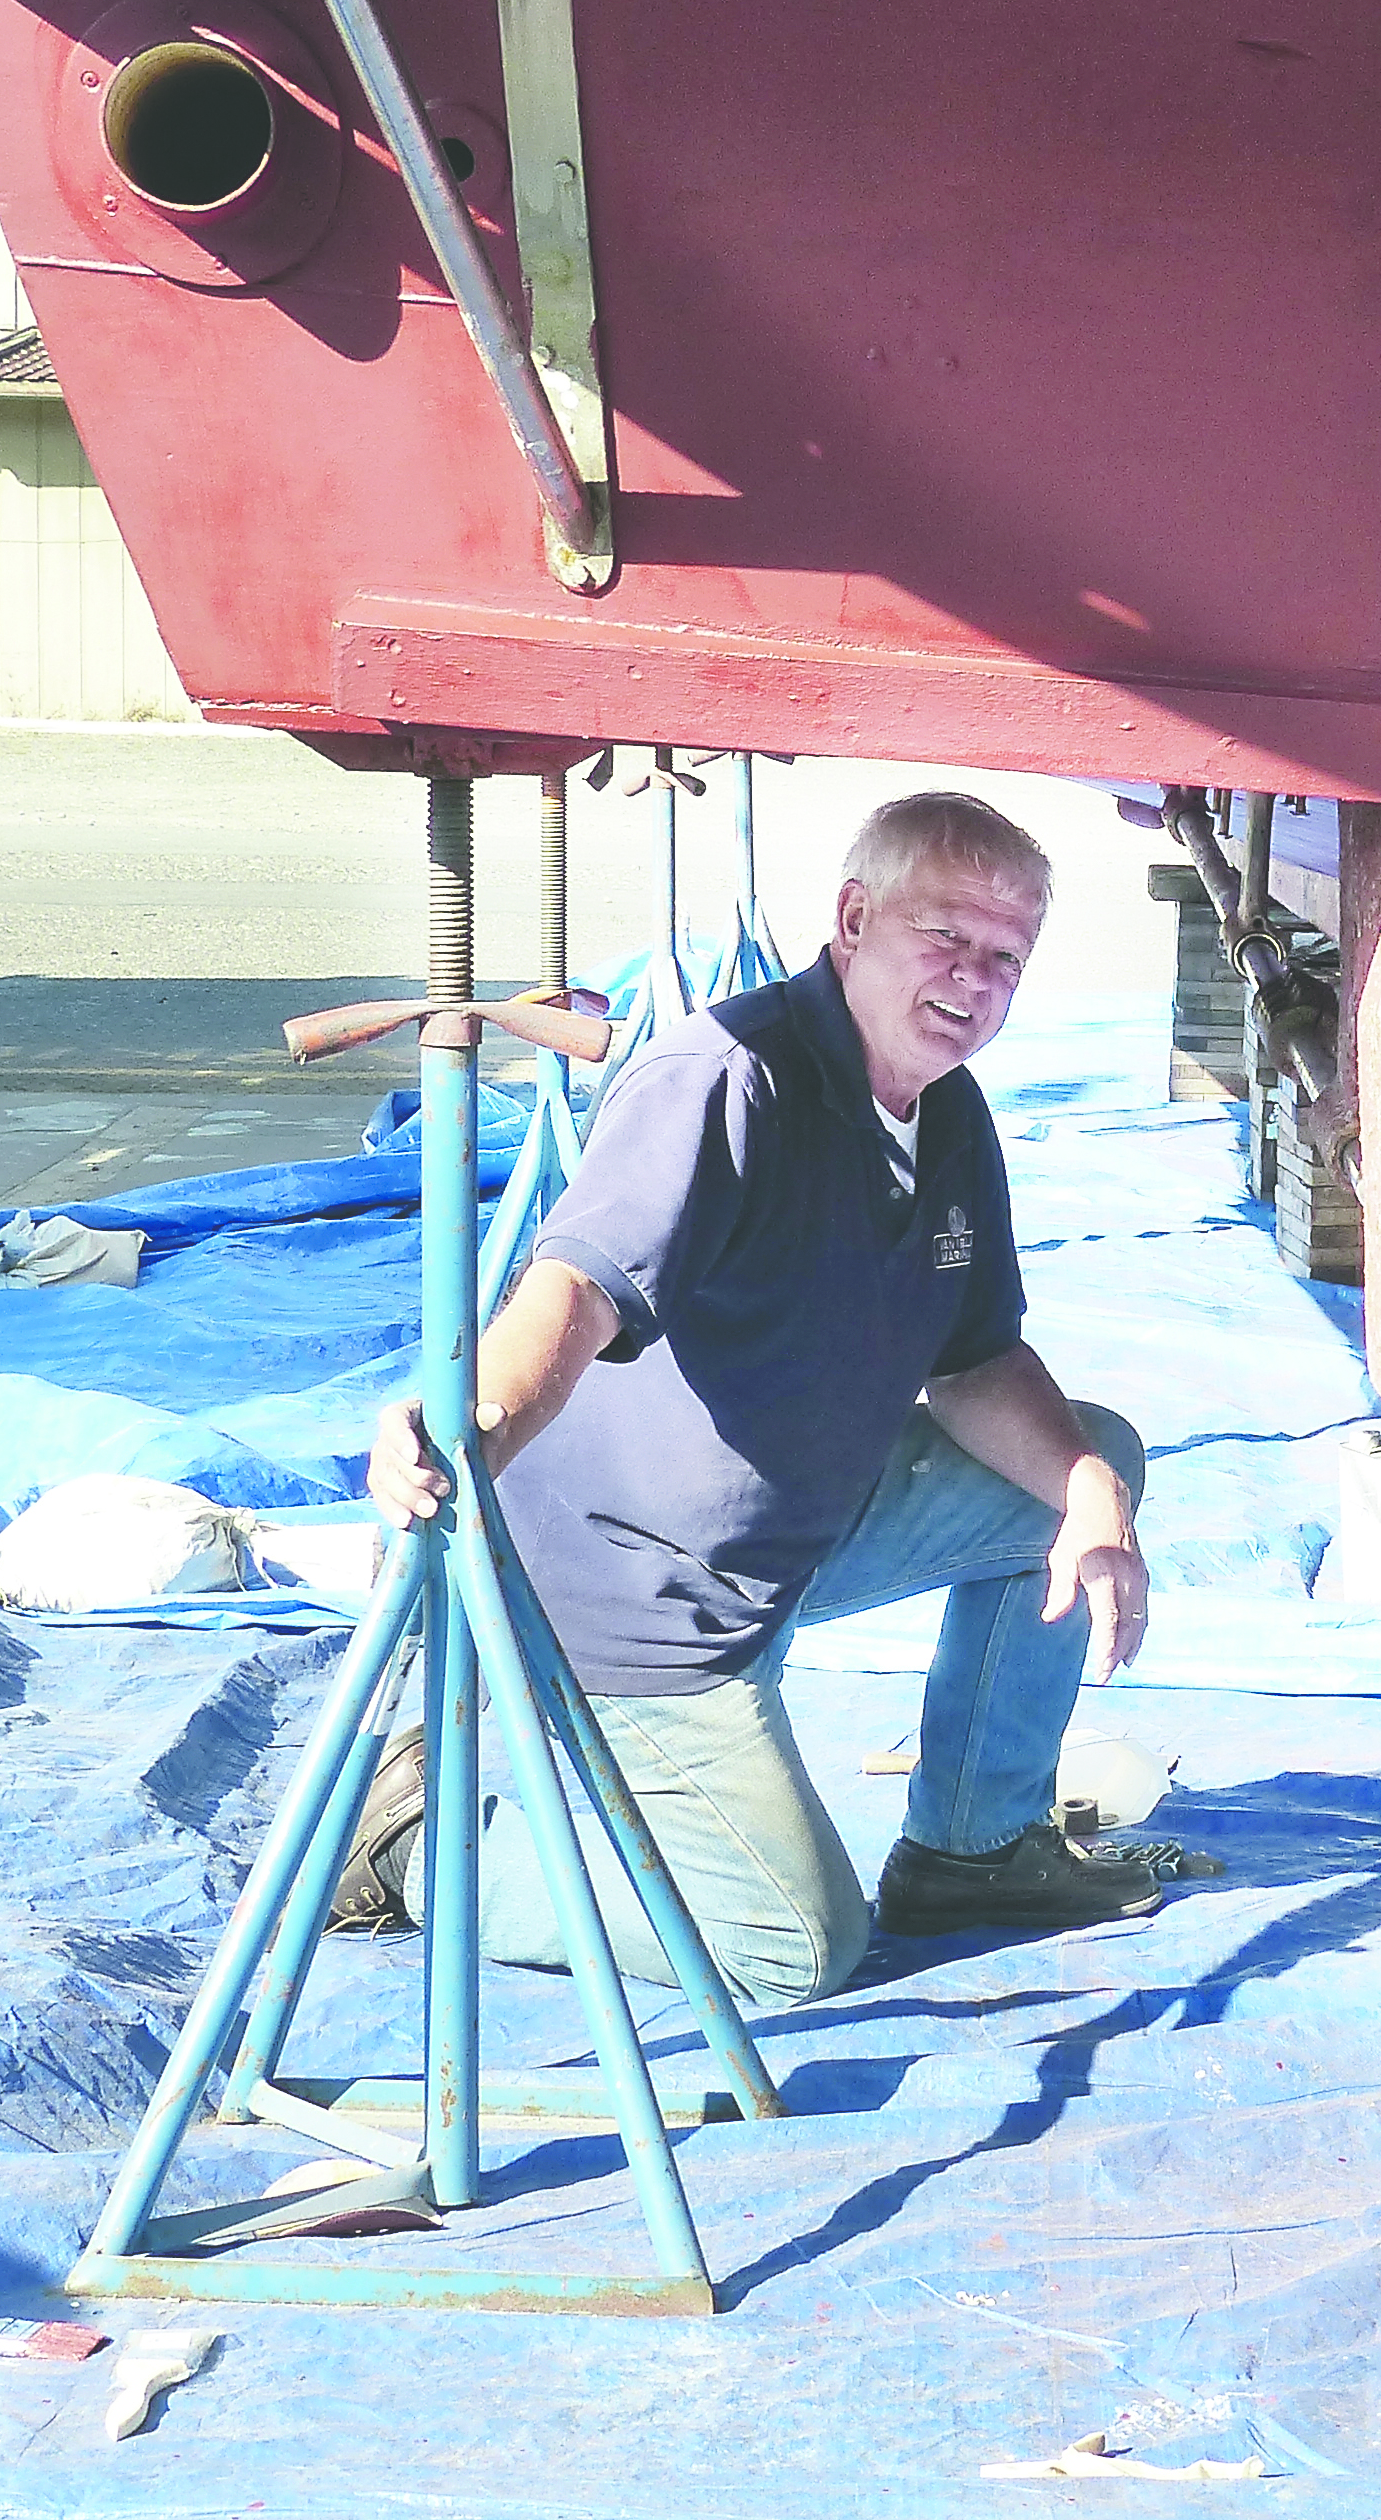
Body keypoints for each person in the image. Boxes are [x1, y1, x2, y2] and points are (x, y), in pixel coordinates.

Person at [353, 788, 1179, 2010]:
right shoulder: (723, 1077)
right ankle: (424, 1848)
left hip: (792, 1539)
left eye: (1005, 956)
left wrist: (1094, 1497)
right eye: (944, 938)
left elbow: (974, 1360)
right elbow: (573, 1285)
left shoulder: (946, 1113)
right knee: (791, 1951)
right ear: (853, 920)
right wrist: (474, 1421)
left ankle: (971, 1853)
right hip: (638, 1599)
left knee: (1079, 1462)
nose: (975, 979)